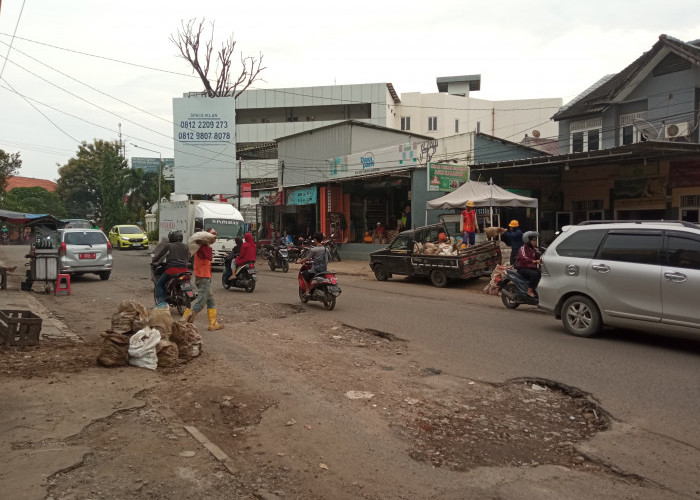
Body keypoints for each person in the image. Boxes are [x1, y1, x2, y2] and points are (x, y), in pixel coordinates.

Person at [184, 228, 223, 331]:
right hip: (203, 277)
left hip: (203, 277)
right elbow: (209, 257)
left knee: (211, 301)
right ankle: (184, 321)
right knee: (201, 301)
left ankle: (213, 323)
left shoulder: (200, 248)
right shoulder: (204, 249)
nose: (215, 239)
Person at [151, 231, 191, 308]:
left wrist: (155, 262)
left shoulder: (169, 246)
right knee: (187, 282)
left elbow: (160, 255)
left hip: (172, 270)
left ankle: (161, 304)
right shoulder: (186, 246)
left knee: (159, 284)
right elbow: (188, 257)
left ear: (172, 238)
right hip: (185, 270)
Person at [515, 231, 542, 298]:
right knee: (535, 275)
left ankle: (536, 289)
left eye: (535, 240)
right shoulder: (522, 248)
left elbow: (539, 257)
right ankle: (529, 291)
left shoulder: (534, 249)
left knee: (542, 273)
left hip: (530, 267)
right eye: (533, 240)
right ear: (527, 240)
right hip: (522, 268)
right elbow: (524, 258)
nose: (535, 242)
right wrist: (535, 261)